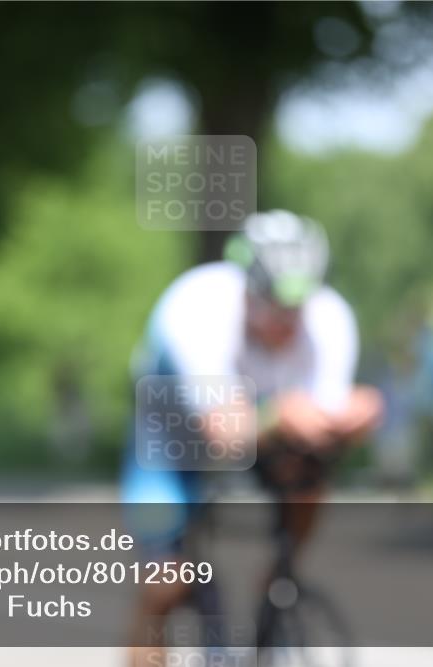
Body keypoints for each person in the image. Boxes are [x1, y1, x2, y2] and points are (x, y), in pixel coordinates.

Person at [121, 210, 382, 666]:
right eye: (274, 303)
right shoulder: (196, 308)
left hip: (258, 416)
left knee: (309, 468)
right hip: (172, 427)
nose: (288, 319)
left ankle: (278, 584)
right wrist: (282, 415)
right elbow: (223, 436)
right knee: (166, 580)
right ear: (244, 287)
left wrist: (352, 421)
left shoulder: (330, 318)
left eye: (298, 305)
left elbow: (319, 423)